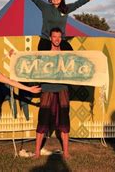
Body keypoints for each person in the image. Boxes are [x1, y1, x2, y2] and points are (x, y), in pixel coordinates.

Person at [15, 0, 96, 50]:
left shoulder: (66, 8)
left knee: (70, 54)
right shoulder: (45, 7)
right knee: (43, 59)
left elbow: (77, 4)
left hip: (61, 39)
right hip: (46, 39)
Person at [33, 27, 72, 159]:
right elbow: (29, 61)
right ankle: (37, 152)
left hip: (62, 88)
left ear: (61, 38)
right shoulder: (44, 53)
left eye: (59, 37)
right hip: (47, 88)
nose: (57, 39)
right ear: (50, 38)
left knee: (64, 120)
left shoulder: (67, 53)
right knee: (43, 119)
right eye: (54, 36)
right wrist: (14, 55)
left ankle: (66, 152)